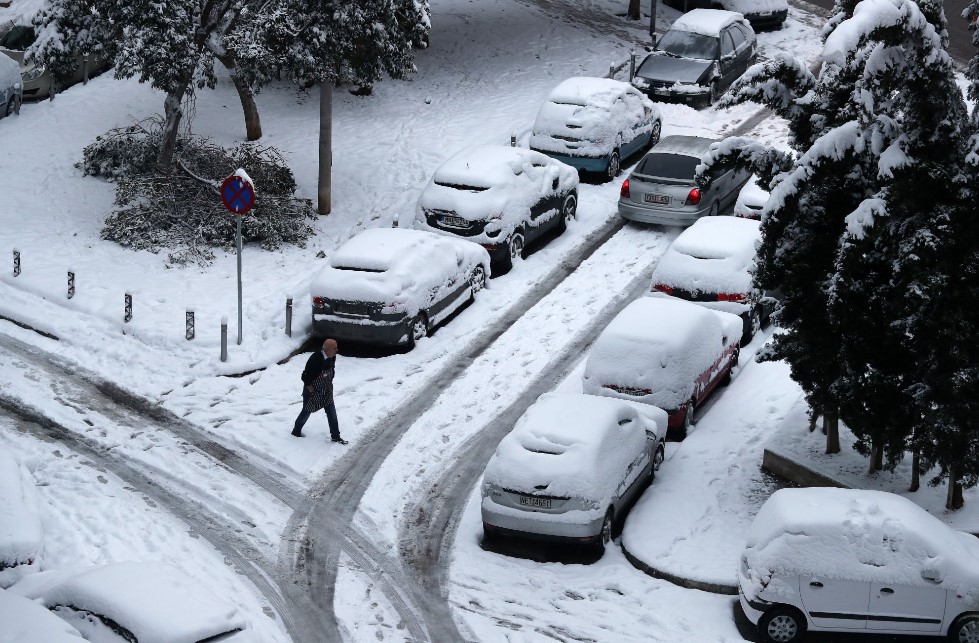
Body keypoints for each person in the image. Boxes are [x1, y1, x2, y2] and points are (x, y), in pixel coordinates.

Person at [292, 338, 348, 444]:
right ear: (326, 349)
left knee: (331, 412)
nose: (337, 350)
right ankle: (296, 431)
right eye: (334, 348)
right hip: (313, 391)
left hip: (326, 390)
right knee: (306, 411)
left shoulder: (332, 356)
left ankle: (335, 436)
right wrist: (309, 386)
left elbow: (331, 369)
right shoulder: (315, 359)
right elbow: (304, 376)